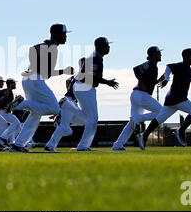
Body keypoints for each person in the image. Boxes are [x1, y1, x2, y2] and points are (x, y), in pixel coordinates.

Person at [10, 24, 74, 153]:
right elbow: (46, 70)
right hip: (35, 79)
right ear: (57, 34)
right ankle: (21, 104)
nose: (66, 37)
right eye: (64, 34)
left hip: (30, 78)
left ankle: (18, 144)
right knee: (54, 108)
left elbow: (34, 51)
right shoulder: (52, 46)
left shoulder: (47, 44)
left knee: (35, 115)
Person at [137, 48, 191, 150]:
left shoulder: (186, 68)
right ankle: (180, 131)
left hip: (171, 100)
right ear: (186, 57)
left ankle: (144, 135)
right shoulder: (182, 65)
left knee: (159, 119)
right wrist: (166, 79)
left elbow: (185, 81)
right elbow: (168, 67)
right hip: (179, 99)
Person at [112, 47, 164, 151]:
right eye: (159, 53)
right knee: (162, 111)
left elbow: (149, 83)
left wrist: (159, 80)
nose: (161, 55)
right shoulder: (150, 63)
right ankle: (138, 119)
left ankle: (118, 144)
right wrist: (143, 82)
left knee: (132, 123)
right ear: (154, 54)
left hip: (138, 95)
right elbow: (136, 69)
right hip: (141, 95)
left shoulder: (153, 65)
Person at [73, 37, 119, 151]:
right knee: (93, 118)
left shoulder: (96, 57)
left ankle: (66, 113)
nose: (109, 47)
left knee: (89, 118)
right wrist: (108, 82)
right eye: (107, 45)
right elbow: (92, 77)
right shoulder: (95, 58)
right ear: (100, 46)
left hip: (83, 86)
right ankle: (83, 146)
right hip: (85, 87)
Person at [45, 60, 87, 152]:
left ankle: (84, 145)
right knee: (64, 126)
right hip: (69, 101)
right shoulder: (82, 76)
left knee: (84, 122)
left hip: (70, 101)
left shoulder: (76, 76)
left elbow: (67, 81)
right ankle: (50, 145)